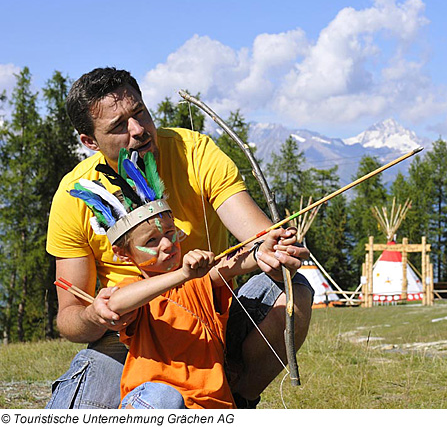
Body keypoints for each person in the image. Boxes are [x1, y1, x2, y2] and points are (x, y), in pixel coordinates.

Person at [46, 67, 313, 409]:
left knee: (294, 289)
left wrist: (272, 250)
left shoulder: (194, 152)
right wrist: (95, 316)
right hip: (126, 337)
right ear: (89, 142)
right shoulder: (73, 197)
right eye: (118, 126)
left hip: (210, 318)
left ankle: (237, 398)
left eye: (139, 112)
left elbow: (257, 238)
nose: (138, 130)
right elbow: (69, 316)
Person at [66, 149, 295, 409]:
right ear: (123, 254)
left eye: (170, 232)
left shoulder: (198, 280)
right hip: (152, 405)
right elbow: (116, 303)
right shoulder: (136, 291)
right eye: (151, 240)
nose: (167, 244)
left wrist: (263, 248)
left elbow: (231, 264)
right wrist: (182, 274)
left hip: (211, 405)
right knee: (165, 397)